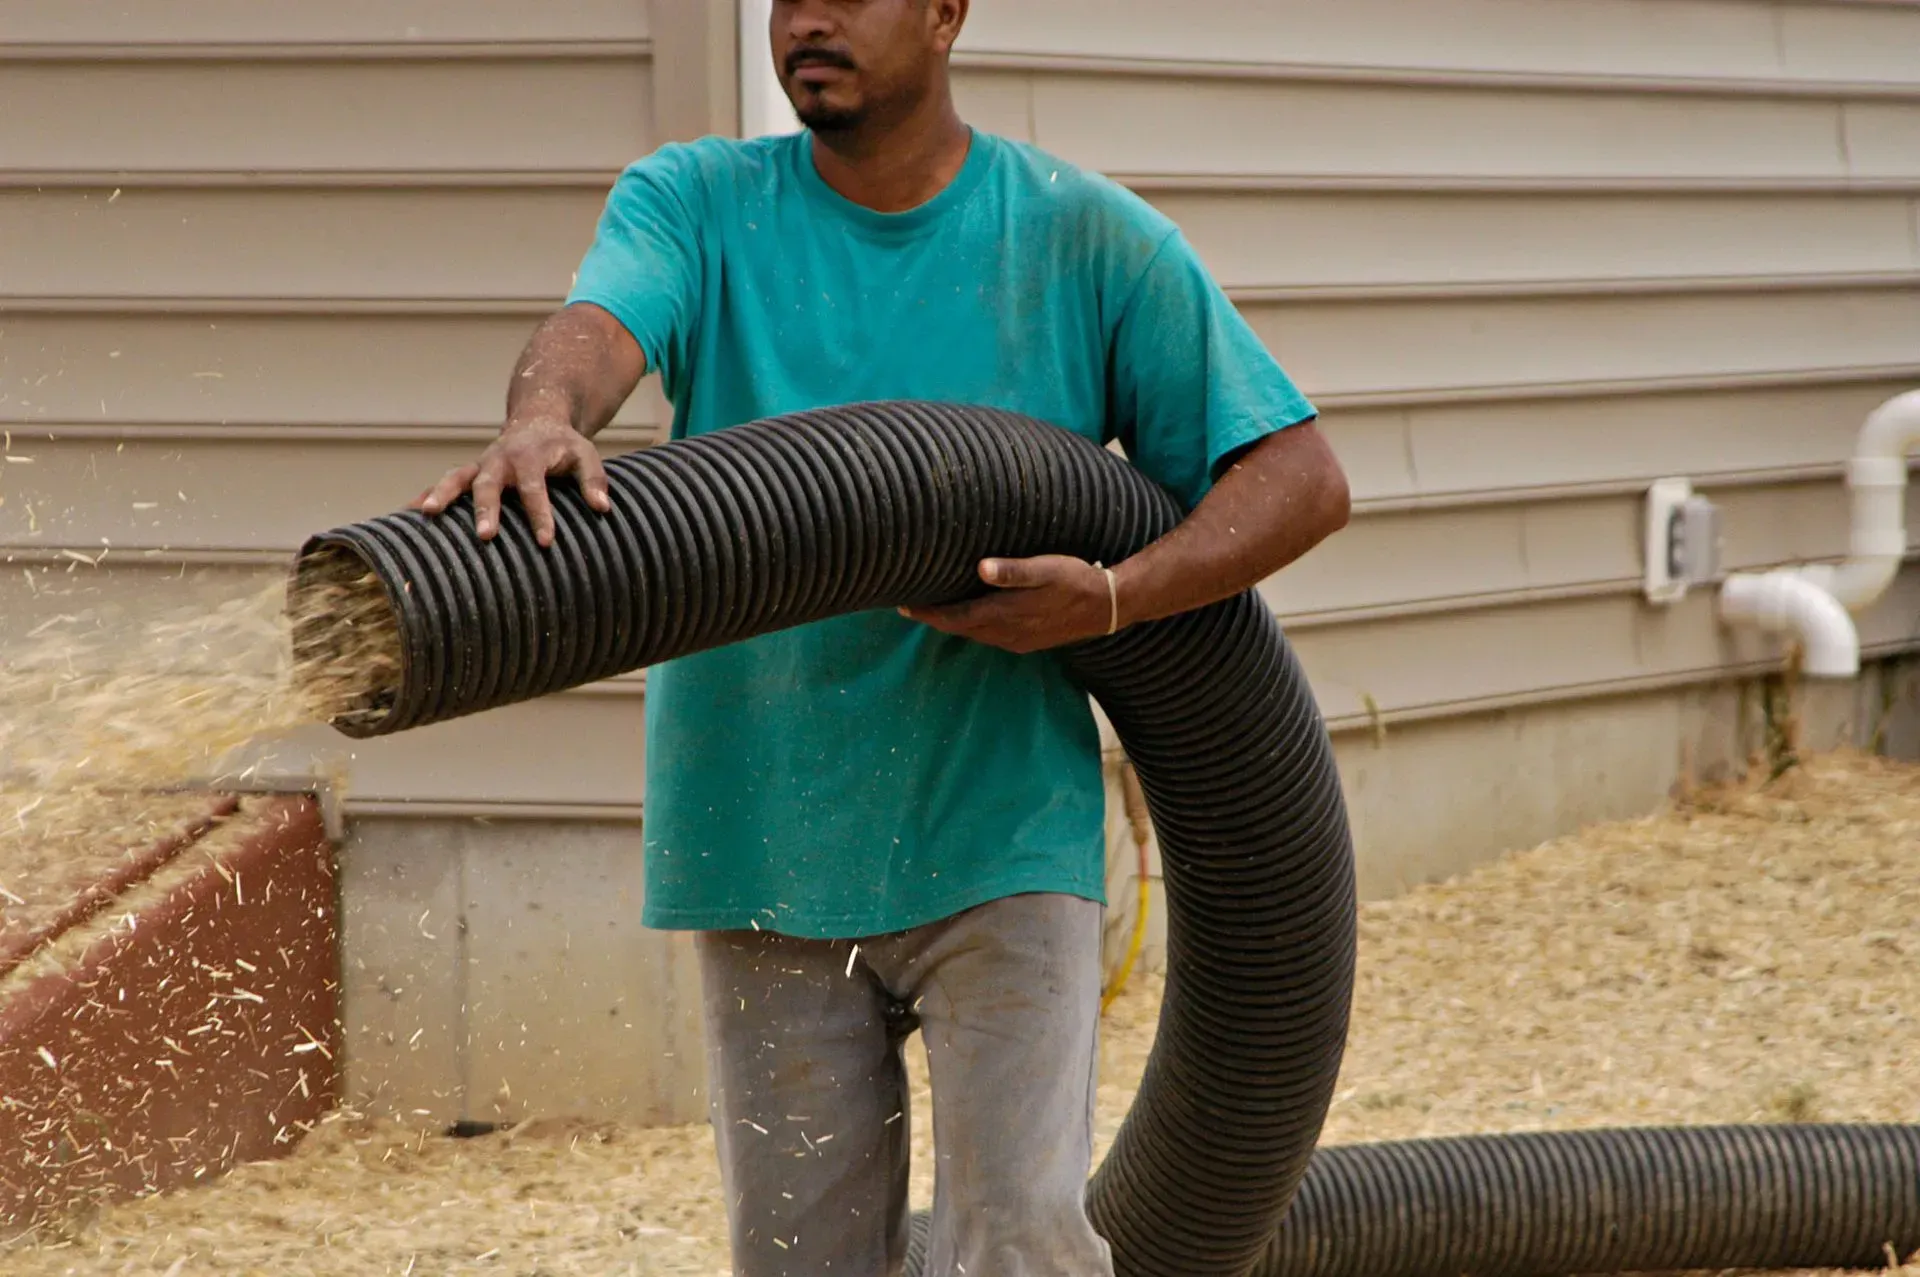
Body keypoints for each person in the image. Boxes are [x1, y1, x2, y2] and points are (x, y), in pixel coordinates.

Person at [415, 1, 1351, 1272]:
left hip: (996, 829)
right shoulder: (698, 203)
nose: (808, 21)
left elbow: (1301, 475)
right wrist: (542, 416)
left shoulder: (1078, 238)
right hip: (763, 840)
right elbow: (602, 325)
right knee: (803, 1257)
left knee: (1019, 1242)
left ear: (948, 11)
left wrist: (1120, 594)